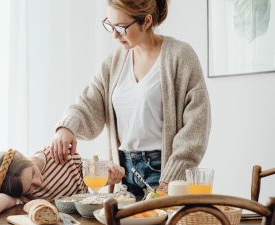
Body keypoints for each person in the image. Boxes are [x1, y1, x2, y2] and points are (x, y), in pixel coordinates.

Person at [51, 0, 211, 197]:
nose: (114, 35)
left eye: (121, 27)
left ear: (146, 21)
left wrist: (171, 177)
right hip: (123, 172)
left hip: (163, 171)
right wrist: (67, 127)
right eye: (110, 25)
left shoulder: (180, 56)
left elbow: (197, 125)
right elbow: (90, 101)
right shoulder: (114, 62)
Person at [0, 147, 124, 225]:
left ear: (25, 159)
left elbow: (88, 174)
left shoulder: (53, 157)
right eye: (31, 187)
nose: (38, 182)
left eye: (33, 172)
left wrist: (110, 176)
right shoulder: (21, 196)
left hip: (95, 221)